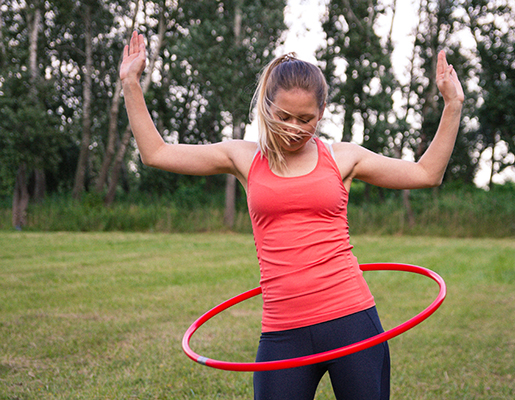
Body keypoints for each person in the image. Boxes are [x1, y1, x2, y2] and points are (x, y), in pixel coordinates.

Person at [120, 31, 463, 400]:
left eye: (306, 119)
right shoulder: (243, 157)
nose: (295, 129)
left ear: (322, 112)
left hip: (352, 318)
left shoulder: (343, 157)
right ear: (266, 108)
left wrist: (453, 105)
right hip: (284, 330)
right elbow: (155, 152)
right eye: (283, 117)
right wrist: (130, 84)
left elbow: (427, 174)